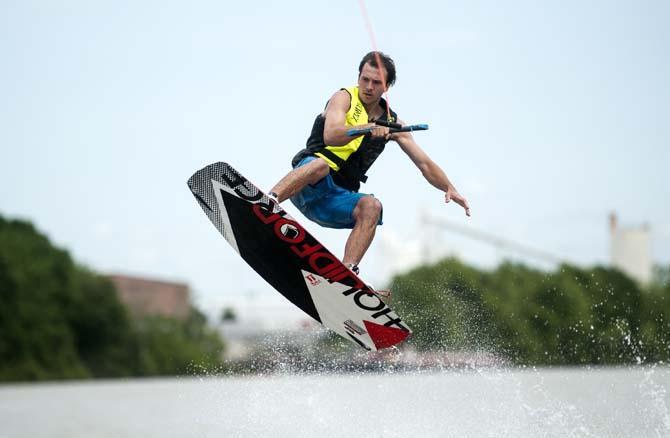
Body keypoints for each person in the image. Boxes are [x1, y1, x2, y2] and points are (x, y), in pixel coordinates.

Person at [268, 51, 470, 287]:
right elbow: (331, 135)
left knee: (372, 206)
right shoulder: (343, 98)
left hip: (333, 201)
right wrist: (368, 127)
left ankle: (345, 275)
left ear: (387, 87)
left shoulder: (393, 123)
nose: (369, 87)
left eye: (376, 83)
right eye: (365, 79)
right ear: (359, 77)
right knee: (322, 165)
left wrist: (449, 187)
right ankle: (267, 202)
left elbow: (424, 163)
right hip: (306, 185)